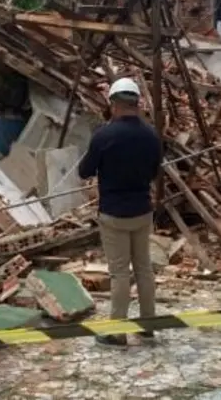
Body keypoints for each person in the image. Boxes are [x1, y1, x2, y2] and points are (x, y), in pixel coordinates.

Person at [78, 77, 163, 347]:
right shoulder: (151, 135)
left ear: (114, 104)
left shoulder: (104, 135)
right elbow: (154, 171)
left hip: (114, 214)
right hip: (142, 211)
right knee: (144, 270)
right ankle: (148, 327)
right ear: (137, 104)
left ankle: (117, 332)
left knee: (119, 274)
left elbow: (84, 171)